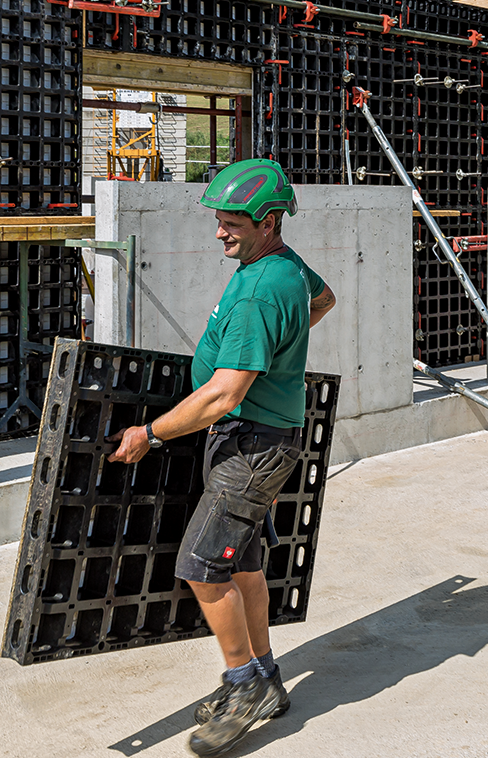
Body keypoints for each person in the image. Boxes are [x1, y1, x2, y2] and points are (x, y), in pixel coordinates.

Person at [107, 158, 336, 757]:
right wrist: (281, 354)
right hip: (263, 432)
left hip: (252, 444)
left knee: (202, 565)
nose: (219, 232)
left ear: (267, 219)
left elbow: (223, 392)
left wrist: (151, 435)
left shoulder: (260, 292)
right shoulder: (283, 266)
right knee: (244, 565)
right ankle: (266, 678)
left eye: (231, 221)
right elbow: (324, 298)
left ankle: (241, 686)